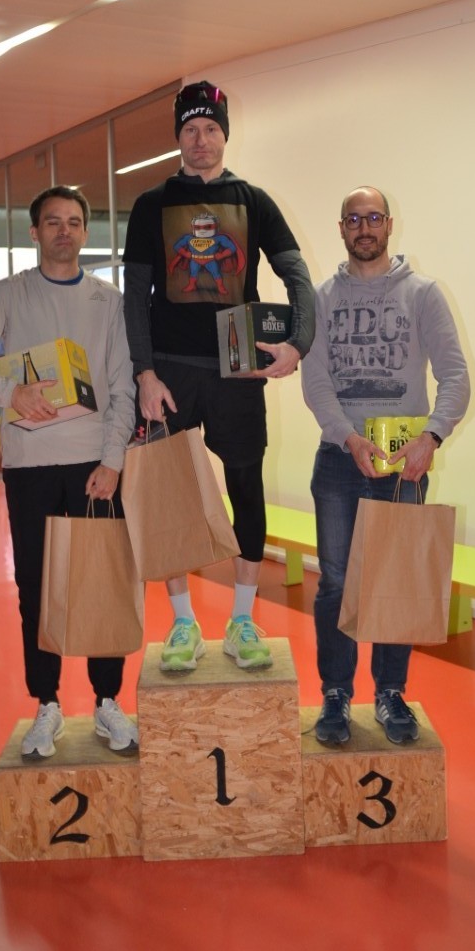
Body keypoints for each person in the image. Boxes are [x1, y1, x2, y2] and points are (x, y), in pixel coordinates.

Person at [123, 81, 315, 672]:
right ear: (178, 137)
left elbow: (298, 278)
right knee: (170, 497)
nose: (200, 139)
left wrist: (298, 345)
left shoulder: (254, 201)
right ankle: (183, 623)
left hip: (238, 372)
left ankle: (242, 619)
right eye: (190, 129)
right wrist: (144, 373)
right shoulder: (151, 204)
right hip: (170, 373)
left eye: (210, 128)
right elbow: (135, 297)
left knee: (245, 489)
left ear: (224, 135)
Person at [0, 186, 138, 758]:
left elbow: (122, 386)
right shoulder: (10, 295)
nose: (64, 231)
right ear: (35, 233)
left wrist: (113, 460)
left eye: (74, 222)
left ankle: (107, 700)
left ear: (85, 232)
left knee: (102, 583)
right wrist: (12, 393)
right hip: (29, 466)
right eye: (52, 222)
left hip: (94, 466)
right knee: (35, 586)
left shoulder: (109, 301)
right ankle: (47, 702)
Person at [301, 186, 470, 745]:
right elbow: (316, 382)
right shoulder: (321, 299)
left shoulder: (423, 294)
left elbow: (455, 376)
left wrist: (431, 437)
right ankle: (335, 693)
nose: (364, 228)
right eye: (353, 219)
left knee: (397, 581)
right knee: (336, 584)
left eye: (373, 217)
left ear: (389, 224)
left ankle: (390, 693)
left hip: (404, 466)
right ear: (341, 228)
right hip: (339, 460)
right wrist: (348, 438)